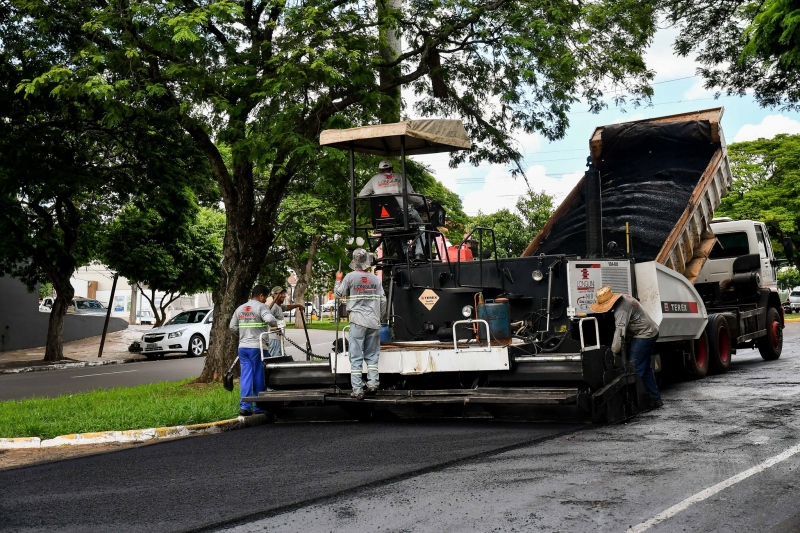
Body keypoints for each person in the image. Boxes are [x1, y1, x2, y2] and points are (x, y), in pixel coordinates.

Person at [590, 285, 663, 409]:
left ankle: (636, 403)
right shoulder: (623, 299)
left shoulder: (621, 310)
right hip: (650, 331)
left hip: (645, 334)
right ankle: (655, 399)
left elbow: (620, 333)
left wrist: (612, 353)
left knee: (634, 367)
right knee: (645, 368)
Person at [334, 248, 387, 400]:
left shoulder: (350, 277)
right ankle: (373, 384)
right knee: (372, 355)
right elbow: (383, 300)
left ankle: (357, 390)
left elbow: (338, 295)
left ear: (354, 261)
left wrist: (338, 279)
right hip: (373, 322)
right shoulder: (376, 279)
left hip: (357, 321)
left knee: (356, 356)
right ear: (366, 261)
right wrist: (379, 316)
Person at [359, 159, 427, 261]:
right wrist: (423, 203)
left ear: (380, 170)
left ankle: (405, 252)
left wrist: (378, 196)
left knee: (401, 228)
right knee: (422, 226)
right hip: (404, 213)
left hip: (382, 218)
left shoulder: (374, 179)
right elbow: (412, 197)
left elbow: (362, 195)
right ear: (391, 168)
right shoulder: (400, 177)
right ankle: (419, 253)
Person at [229, 284, 278, 416]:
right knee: (259, 377)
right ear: (261, 296)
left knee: (245, 377)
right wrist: (275, 324)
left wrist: (244, 334)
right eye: (265, 297)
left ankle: (244, 407)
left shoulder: (240, 308)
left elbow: (232, 327)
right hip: (258, 348)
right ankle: (259, 407)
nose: (265, 299)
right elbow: (270, 320)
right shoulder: (261, 307)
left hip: (243, 348)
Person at [267, 286, 304, 358]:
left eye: (284, 293)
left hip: (279, 338)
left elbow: (287, 307)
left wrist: (298, 305)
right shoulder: (273, 307)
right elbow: (268, 320)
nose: (283, 295)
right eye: (280, 294)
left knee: (283, 358)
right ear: (274, 295)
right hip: (274, 339)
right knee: (274, 360)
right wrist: (275, 328)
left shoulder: (279, 306)